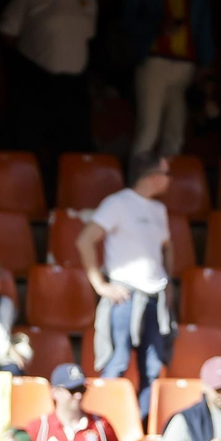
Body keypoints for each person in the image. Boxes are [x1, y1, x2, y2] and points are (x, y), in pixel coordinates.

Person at [82, 152, 174, 416]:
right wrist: (101, 285)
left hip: (155, 298)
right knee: (117, 364)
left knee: (153, 369)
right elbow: (85, 240)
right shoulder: (117, 203)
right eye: (167, 174)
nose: (170, 180)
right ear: (154, 177)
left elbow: (167, 247)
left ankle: (142, 428)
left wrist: (168, 282)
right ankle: (106, 428)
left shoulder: (159, 209)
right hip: (125, 297)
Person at [0, 0, 97, 171]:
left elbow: (87, 35)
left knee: (73, 147)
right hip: (36, 79)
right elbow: (8, 30)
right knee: (27, 142)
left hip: (73, 84)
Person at [122, 0, 217, 157]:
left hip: (186, 65)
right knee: (148, 131)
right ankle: (138, 187)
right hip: (153, 61)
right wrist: (157, 26)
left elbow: (203, 21)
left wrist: (206, 64)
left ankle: (165, 187)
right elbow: (126, 21)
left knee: (175, 136)